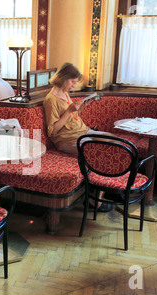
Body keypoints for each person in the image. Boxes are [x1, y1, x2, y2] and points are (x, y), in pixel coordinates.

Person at [43, 62, 115, 212]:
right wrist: (69, 111)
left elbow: (70, 120)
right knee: (98, 152)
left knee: (113, 141)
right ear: (63, 79)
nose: (74, 86)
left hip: (82, 131)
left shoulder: (64, 93)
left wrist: (80, 108)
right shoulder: (51, 100)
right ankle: (96, 201)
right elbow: (52, 131)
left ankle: (109, 189)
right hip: (66, 140)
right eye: (73, 82)